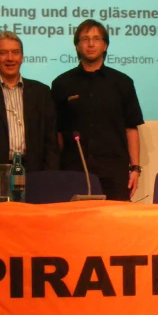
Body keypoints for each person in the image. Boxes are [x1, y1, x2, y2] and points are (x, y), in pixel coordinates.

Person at [51, 19, 145, 201]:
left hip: (113, 172)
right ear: (77, 46)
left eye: (96, 38)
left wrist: (135, 168)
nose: (91, 44)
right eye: (85, 39)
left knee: (114, 226)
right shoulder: (61, 84)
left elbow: (131, 128)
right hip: (74, 171)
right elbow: (58, 133)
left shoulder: (123, 83)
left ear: (105, 45)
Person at [0, 32, 59, 205]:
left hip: (35, 175)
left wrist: (50, 179)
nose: (10, 58)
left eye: (15, 52)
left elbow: (50, 143)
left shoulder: (41, 92)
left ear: (22, 57)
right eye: (3, 53)